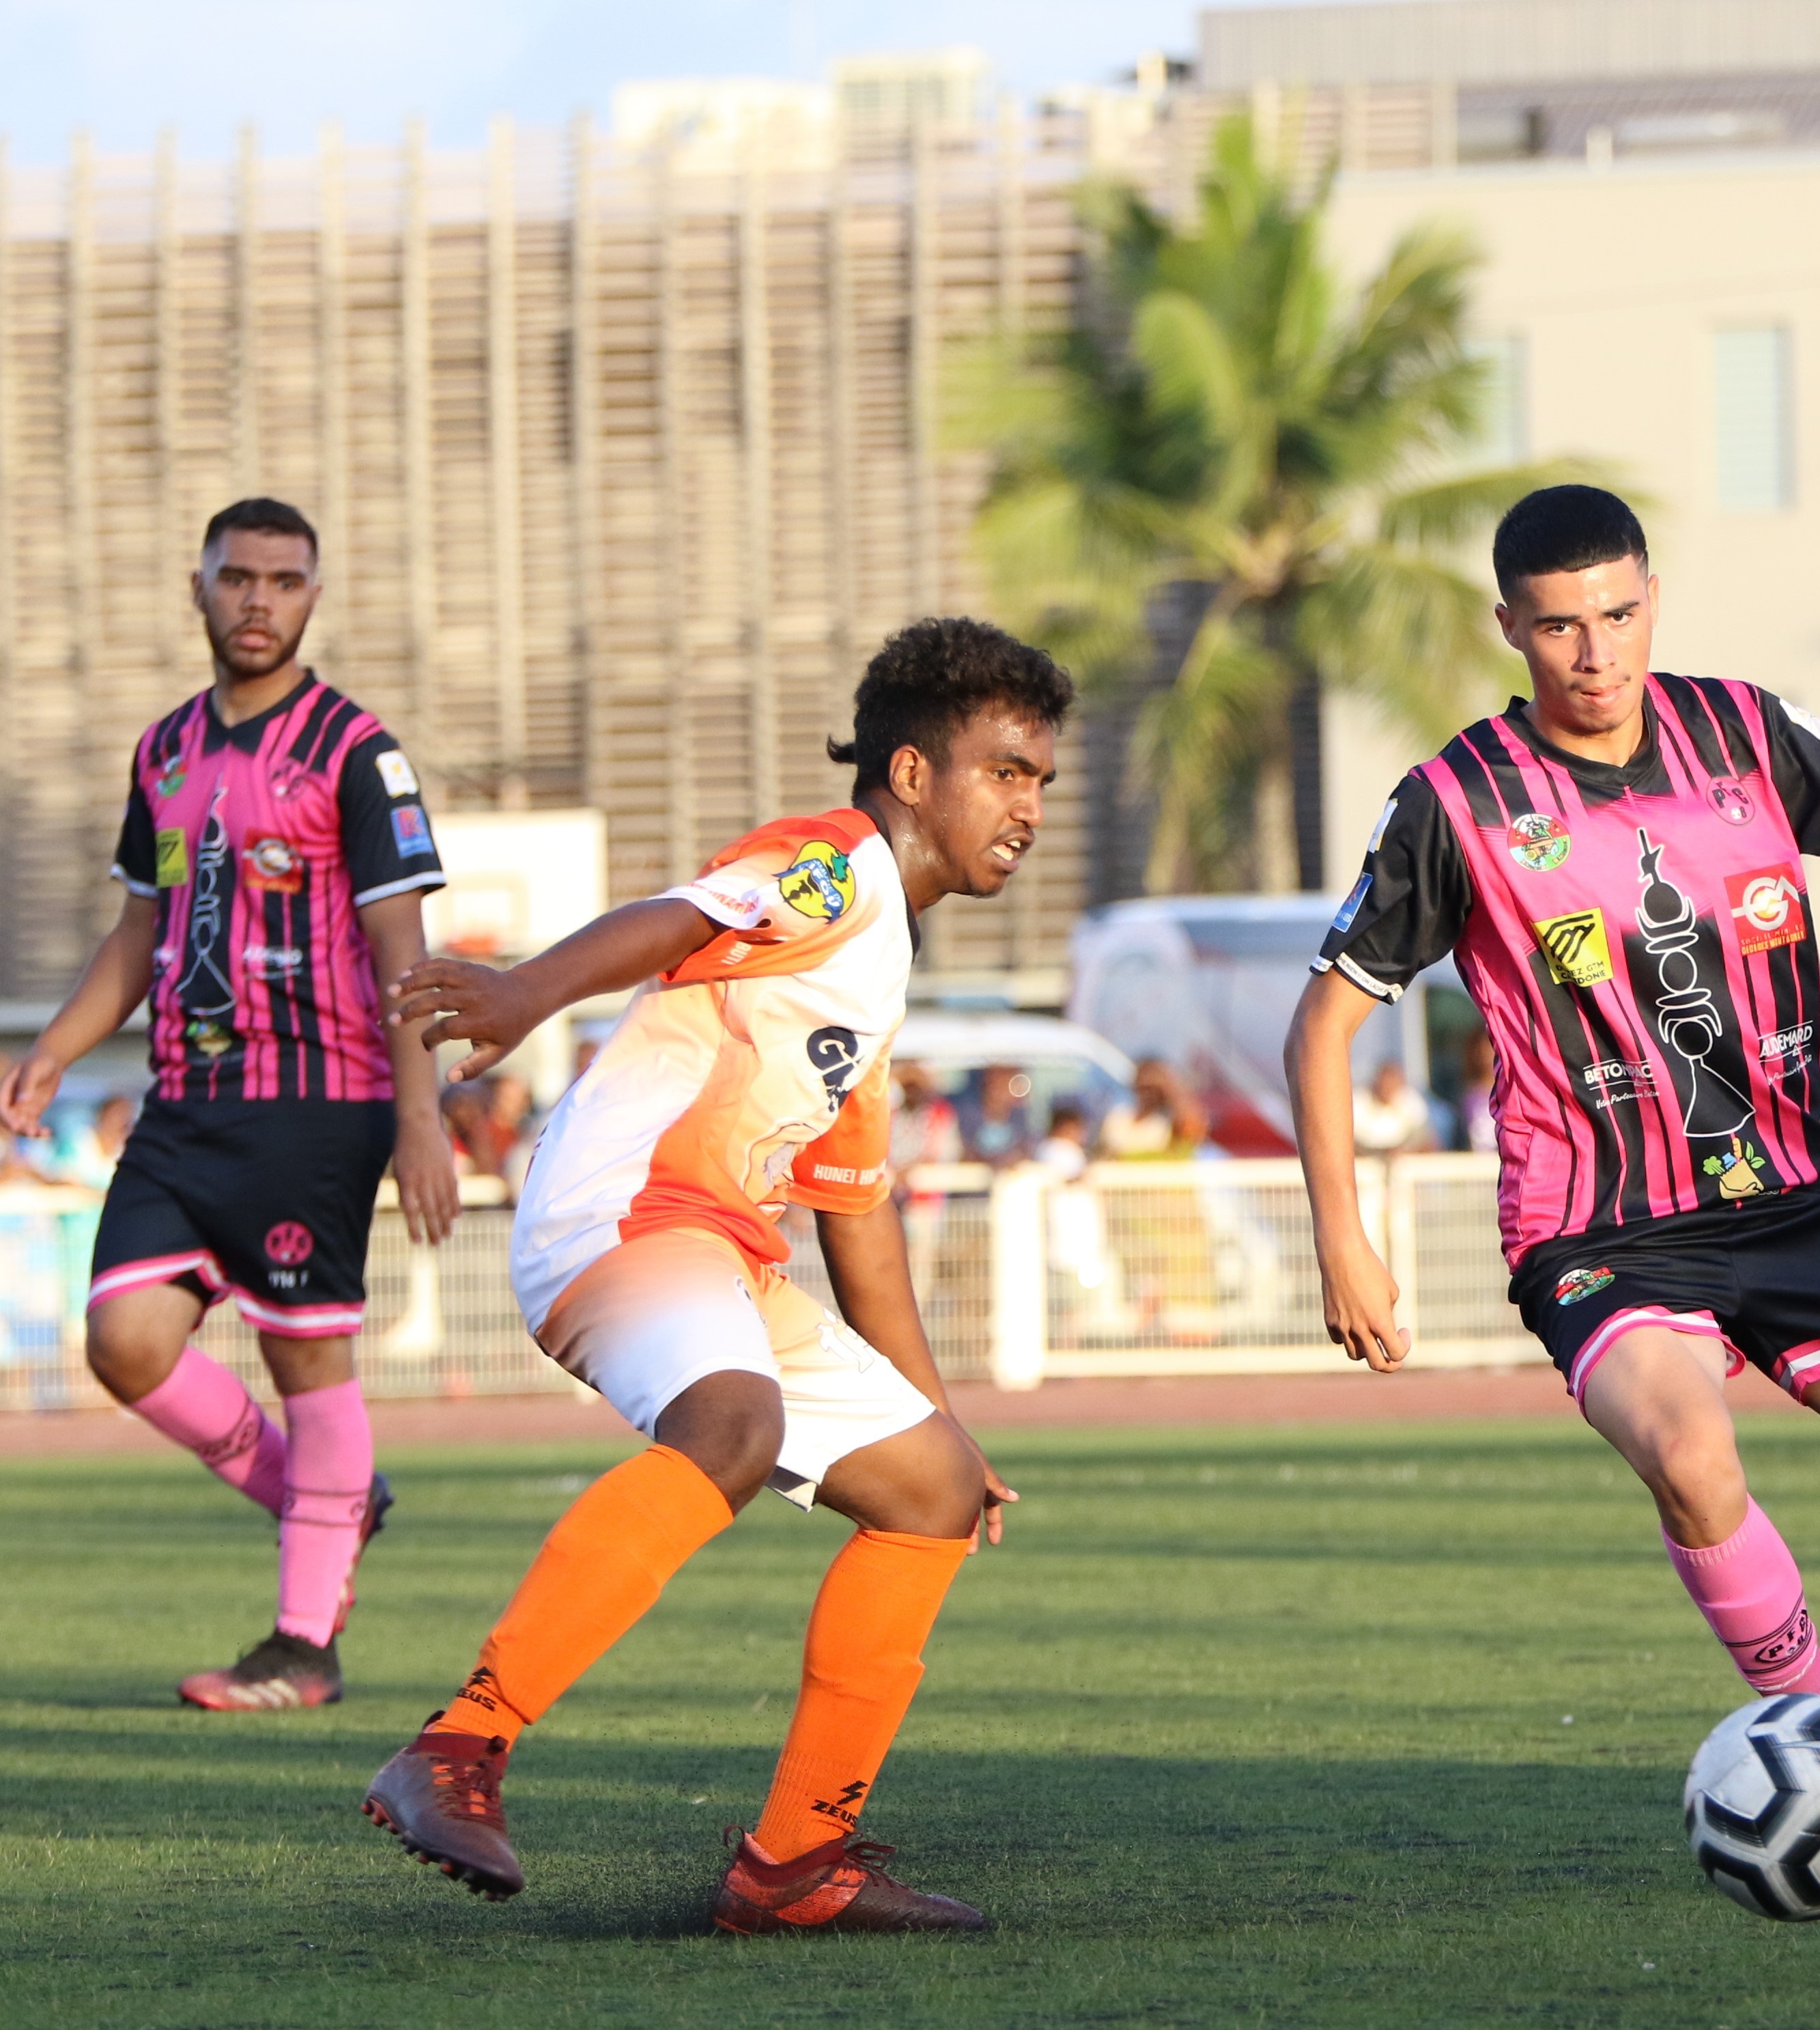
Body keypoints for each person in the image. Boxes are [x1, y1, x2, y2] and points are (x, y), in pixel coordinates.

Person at [1290, 485, 1820, 1865]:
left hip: (1791, 1204)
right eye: (1562, 627)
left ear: (1653, 597)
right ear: (1509, 626)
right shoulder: (1454, 800)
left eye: (1621, 614)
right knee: (1695, 1457)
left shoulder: (1746, 732)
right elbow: (1328, 1016)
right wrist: (1343, 1237)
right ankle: (1819, 1751)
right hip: (1600, 1231)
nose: (1597, 653)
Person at [360, 617, 1070, 1932]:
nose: (1029, 806)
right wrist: (525, 993)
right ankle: (459, 1745)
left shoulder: (879, 956)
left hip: (719, 1251)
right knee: (732, 1427)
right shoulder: (838, 864)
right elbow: (681, 914)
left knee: (931, 1493)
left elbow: (855, 1214)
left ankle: (794, 1863)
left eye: (1040, 779)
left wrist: (945, 1420)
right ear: (912, 774)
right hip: (625, 1219)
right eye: (1006, 770)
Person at [0, 497, 455, 1710]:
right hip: (184, 1103)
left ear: (315, 595)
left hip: (320, 1097)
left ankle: (303, 1645)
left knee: (311, 1368)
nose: (260, 600)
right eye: (239, 577)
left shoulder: (359, 751)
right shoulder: (162, 751)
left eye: (285, 580)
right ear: (196, 586)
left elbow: (402, 945)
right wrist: (50, 1051)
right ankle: (333, 1492)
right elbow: (137, 930)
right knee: (126, 1336)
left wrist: (422, 1116)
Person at [1352, 1057, 1435, 1155]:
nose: (1387, 1088)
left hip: (1403, 1158)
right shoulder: (1359, 1100)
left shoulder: (1411, 1100)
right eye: (1384, 1083)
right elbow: (1353, 1139)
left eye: (1392, 1083)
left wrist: (1404, 1150)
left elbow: (1421, 1134)